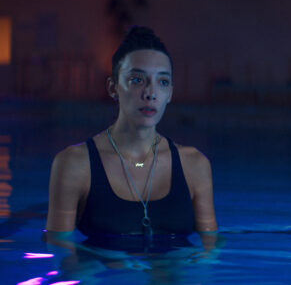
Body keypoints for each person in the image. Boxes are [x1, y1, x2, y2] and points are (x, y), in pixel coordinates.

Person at [44, 26, 218, 253]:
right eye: (137, 80)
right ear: (113, 87)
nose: (150, 92)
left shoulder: (195, 165)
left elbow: (210, 251)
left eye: (162, 82)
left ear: (170, 94)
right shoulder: (74, 164)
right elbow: (59, 248)